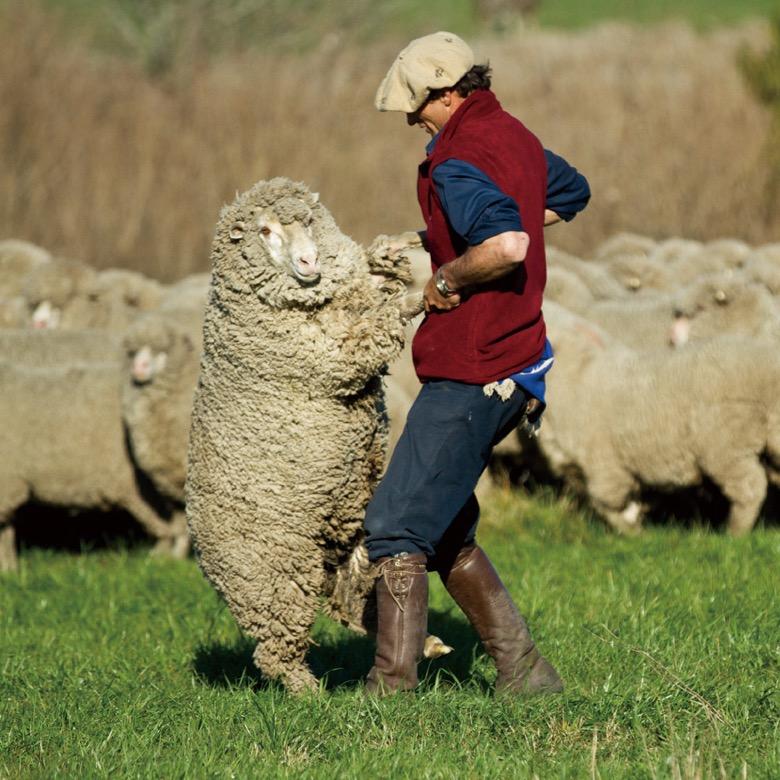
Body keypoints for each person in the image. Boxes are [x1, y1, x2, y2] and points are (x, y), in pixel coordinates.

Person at [365, 31, 590, 696]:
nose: (411, 119)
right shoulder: (513, 135)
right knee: (445, 522)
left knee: (396, 524)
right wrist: (449, 234)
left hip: (473, 370)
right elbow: (570, 192)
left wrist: (450, 278)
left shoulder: (456, 159)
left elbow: (511, 242)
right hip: (517, 365)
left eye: (418, 105)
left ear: (446, 91)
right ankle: (525, 674)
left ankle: (390, 694)